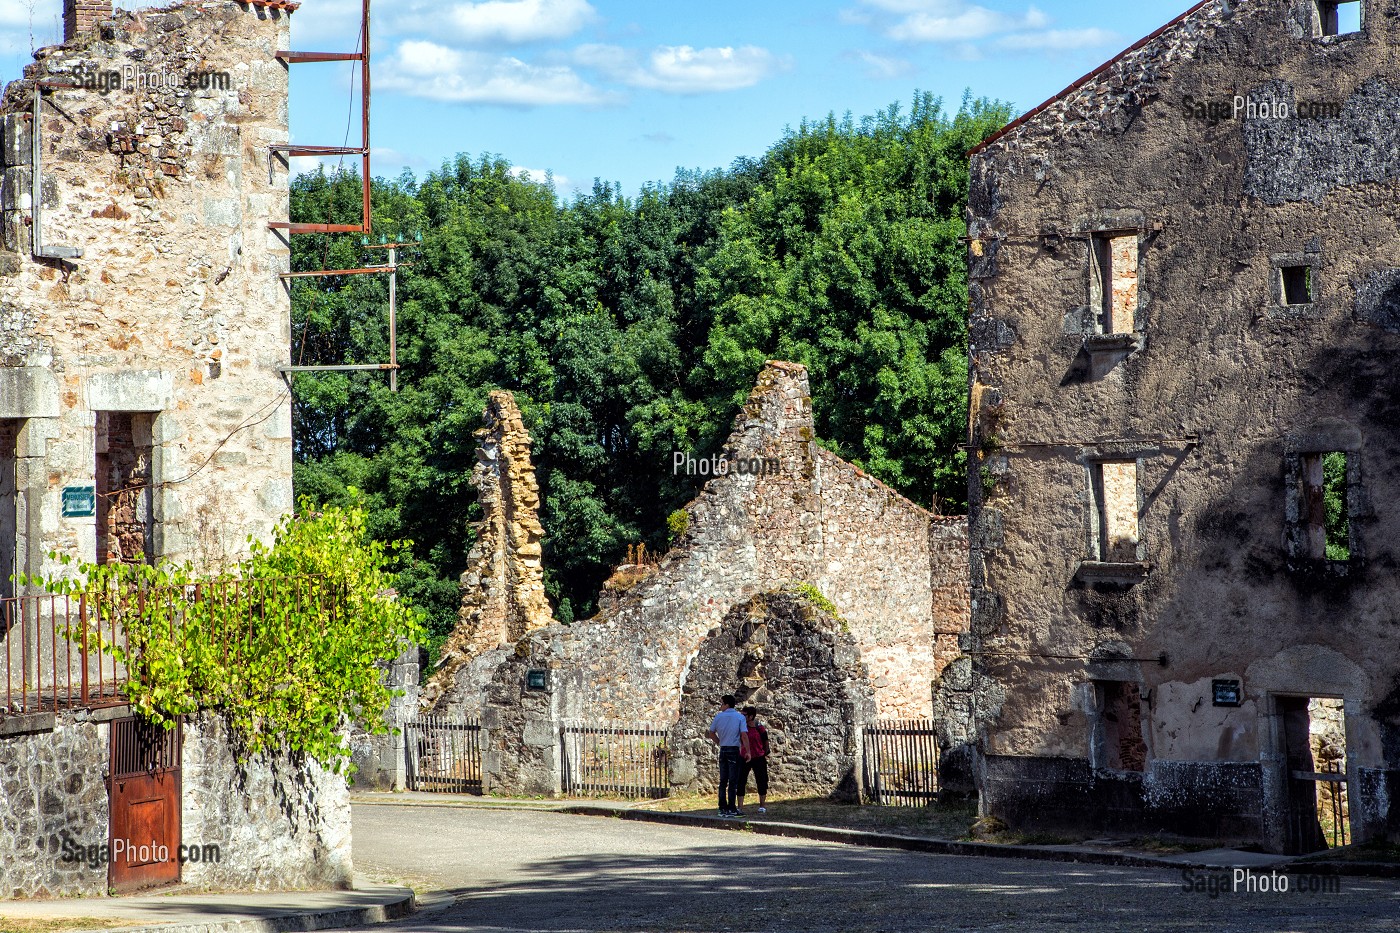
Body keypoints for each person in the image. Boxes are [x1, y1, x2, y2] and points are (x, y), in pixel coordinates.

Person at [706, 694, 749, 817]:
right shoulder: (740, 717)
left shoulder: (719, 717)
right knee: (733, 780)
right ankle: (732, 807)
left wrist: (719, 742)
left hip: (723, 748)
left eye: (722, 704)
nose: (720, 706)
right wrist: (748, 751)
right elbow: (744, 735)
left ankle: (722, 807)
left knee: (723, 780)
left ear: (727, 704)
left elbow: (711, 732)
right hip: (734, 749)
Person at [737, 706, 769, 814]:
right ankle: (740, 807)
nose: (741, 716)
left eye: (744, 715)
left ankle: (762, 805)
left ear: (751, 716)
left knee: (761, 780)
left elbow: (765, 739)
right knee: (740, 781)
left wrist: (764, 752)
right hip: (744, 757)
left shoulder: (759, 727)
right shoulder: (741, 727)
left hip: (758, 757)